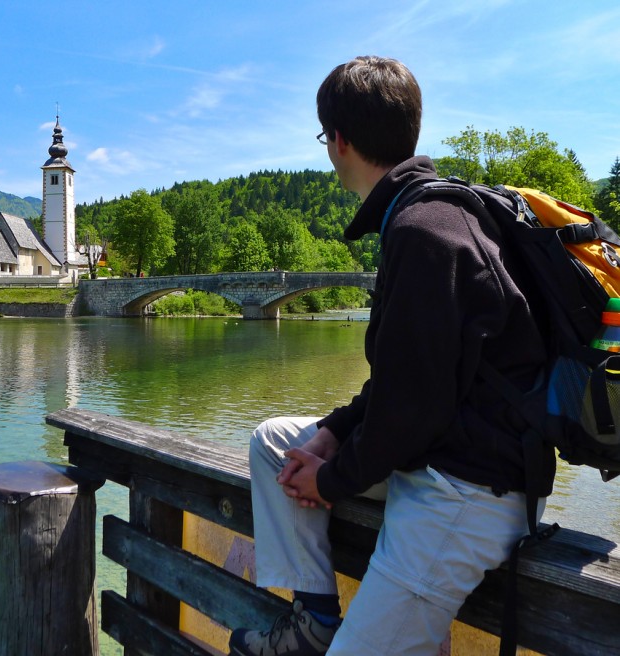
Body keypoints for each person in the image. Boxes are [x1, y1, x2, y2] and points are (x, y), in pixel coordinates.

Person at [228, 56, 555, 656]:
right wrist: (332, 432)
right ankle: (316, 621)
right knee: (276, 440)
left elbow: (413, 407)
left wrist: (333, 478)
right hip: (441, 457)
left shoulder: (423, 231)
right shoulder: (427, 215)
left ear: (338, 142)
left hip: (469, 488)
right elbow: (405, 380)